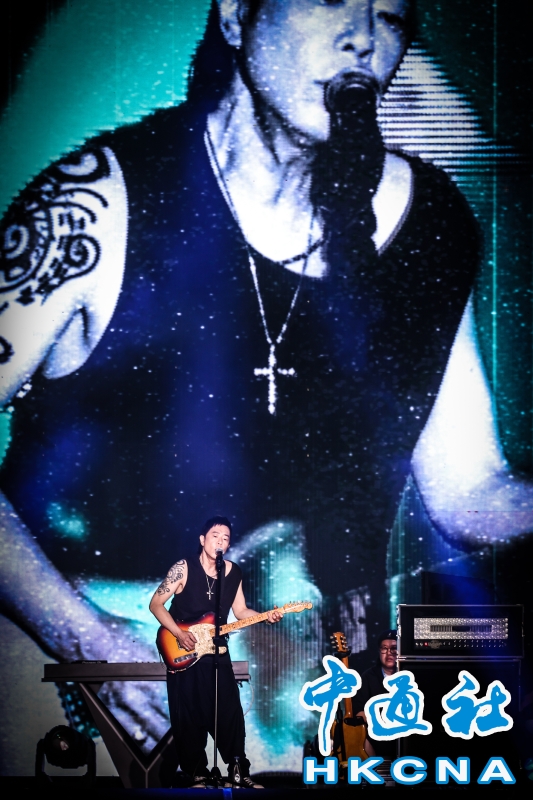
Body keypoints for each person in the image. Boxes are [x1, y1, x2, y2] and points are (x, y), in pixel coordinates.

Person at [0, 0, 532, 760]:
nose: (362, 38)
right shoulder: (94, 207)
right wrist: (84, 638)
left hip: (296, 703)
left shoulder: (432, 229)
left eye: (389, 16)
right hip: (70, 692)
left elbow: (469, 491)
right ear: (234, 14)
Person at [149, 516, 283, 788]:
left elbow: (240, 611)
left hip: (217, 651)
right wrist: (178, 633)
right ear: (202, 539)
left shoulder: (233, 572)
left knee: (229, 712)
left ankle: (238, 772)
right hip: (183, 649)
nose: (220, 541)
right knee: (188, 715)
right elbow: (156, 604)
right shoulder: (183, 568)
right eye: (215, 536)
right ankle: (196, 773)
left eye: (225, 538)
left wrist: (265, 617)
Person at [352, 629, 398, 759]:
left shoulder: (410, 676)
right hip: (376, 737)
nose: (389, 653)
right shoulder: (368, 677)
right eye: (384, 648)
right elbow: (359, 711)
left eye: (394, 648)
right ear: (379, 652)